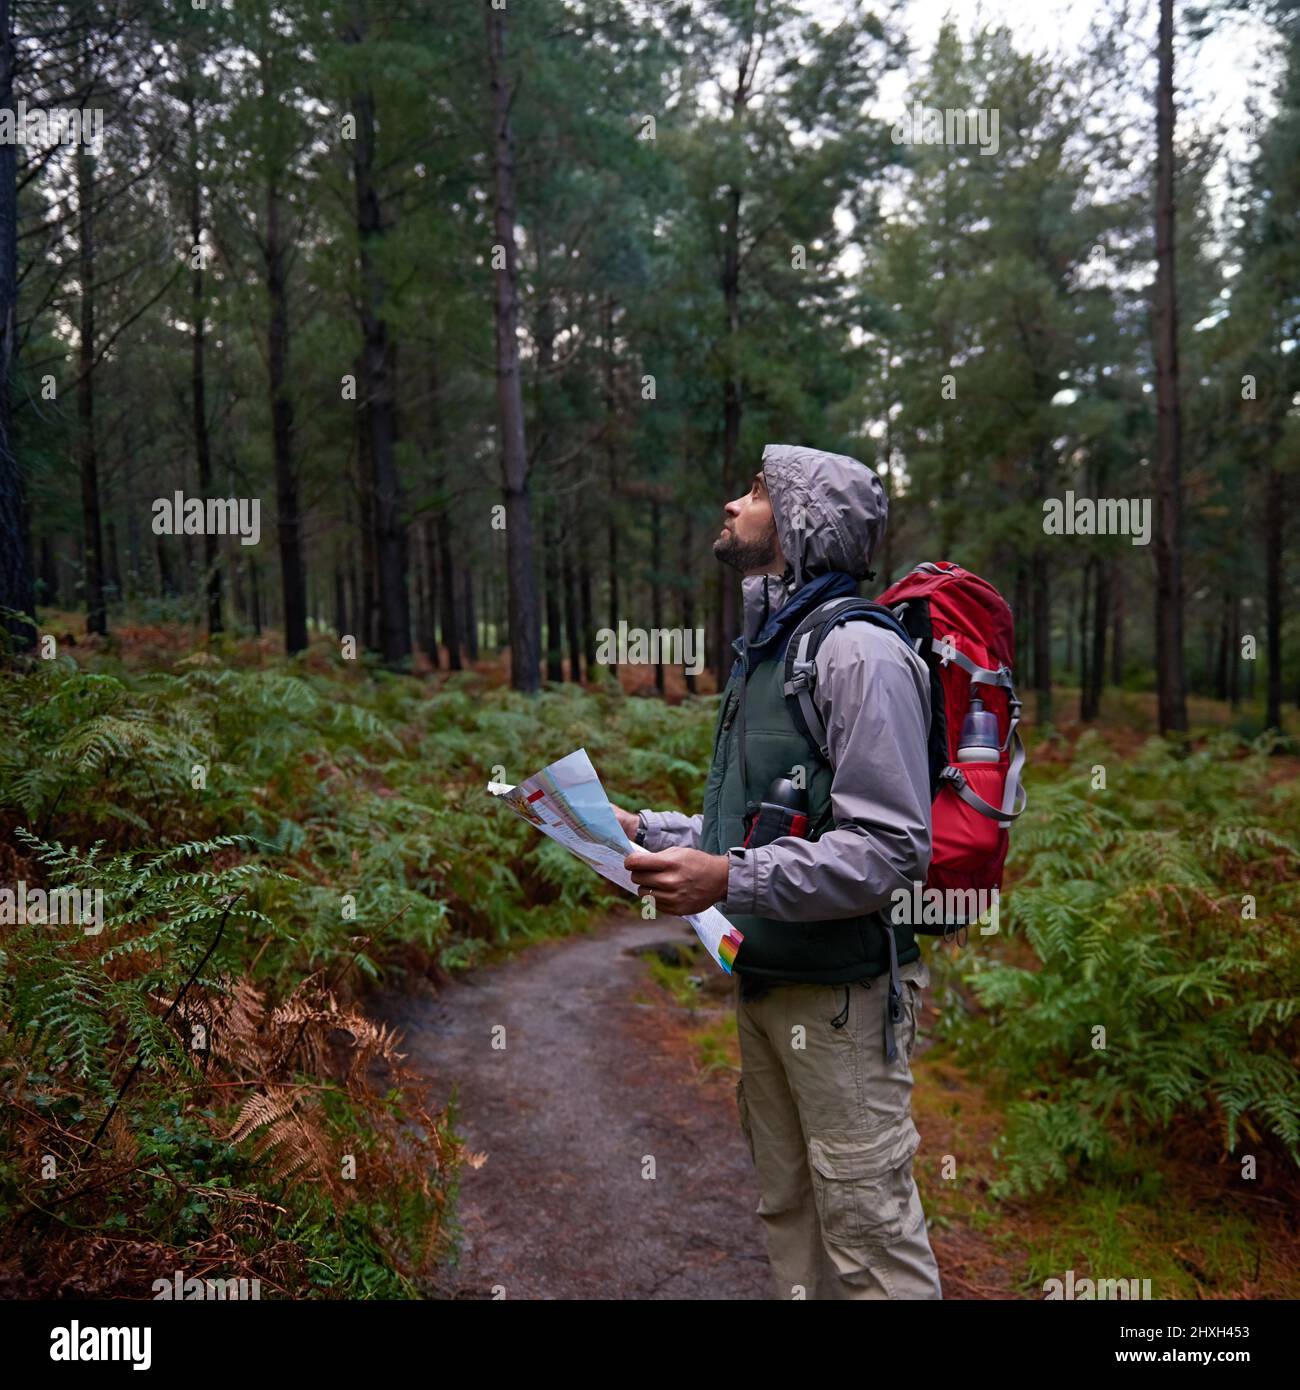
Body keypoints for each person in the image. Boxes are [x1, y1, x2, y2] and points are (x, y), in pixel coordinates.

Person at [611, 443, 943, 1300]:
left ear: (801, 523)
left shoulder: (856, 652)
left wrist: (731, 883)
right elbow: (749, 830)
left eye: (757, 491)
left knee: (869, 1235)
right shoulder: (771, 646)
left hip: (840, 999)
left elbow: (892, 849)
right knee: (790, 1212)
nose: (733, 503)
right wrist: (639, 828)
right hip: (766, 985)